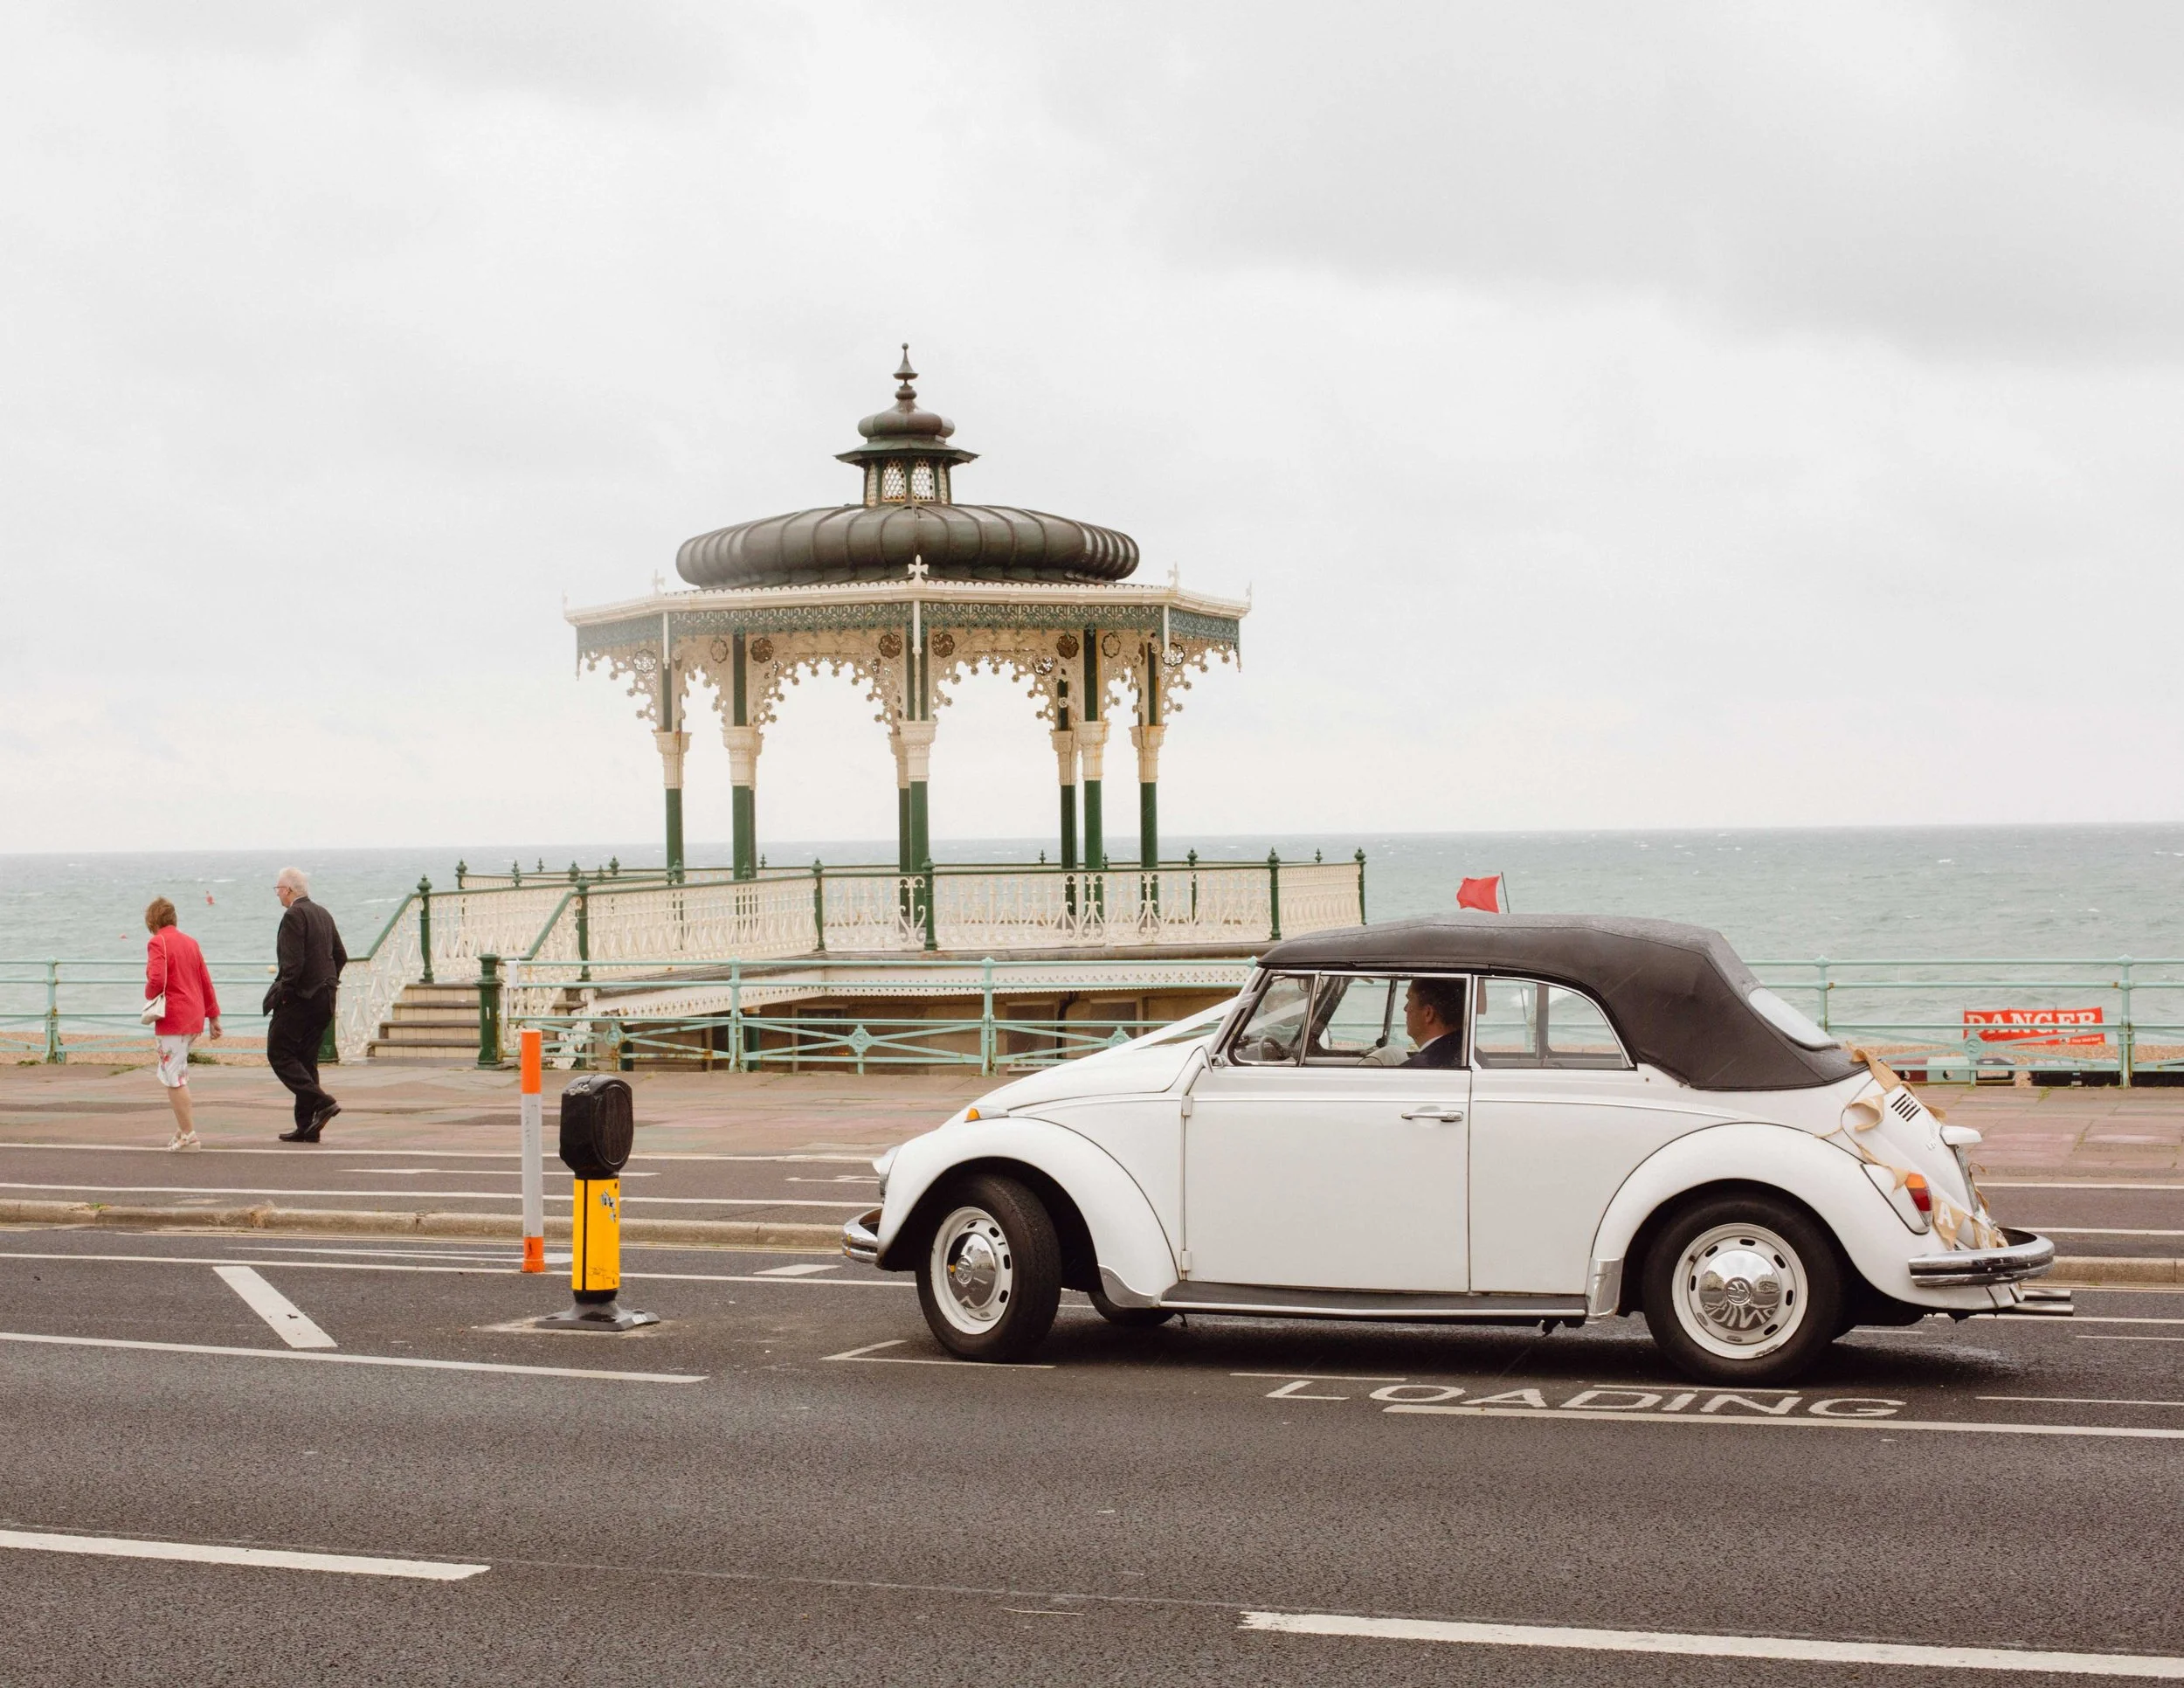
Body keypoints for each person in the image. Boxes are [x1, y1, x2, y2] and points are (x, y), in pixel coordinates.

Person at [263, 867, 347, 1143]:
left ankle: (322, 1102)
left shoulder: (293, 915)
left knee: (279, 1052)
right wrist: (328, 981)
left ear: (287, 890)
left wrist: (286, 994)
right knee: (306, 1059)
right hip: (325, 997)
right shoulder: (322, 913)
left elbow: (293, 964)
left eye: (278, 890)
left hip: (302, 998)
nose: (277, 895)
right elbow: (340, 955)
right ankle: (307, 1126)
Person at [143, 897, 221, 1149]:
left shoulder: (158, 942)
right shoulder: (191, 942)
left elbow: (157, 979)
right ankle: (182, 1129)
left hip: (173, 1017)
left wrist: (149, 994)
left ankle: (189, 1134)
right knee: (179, 1072)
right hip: (194, 1015)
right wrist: (213, 1016)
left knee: (173, 1077)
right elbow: (205, 981)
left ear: (152, 921)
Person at [1400, 977, 1466, 1069]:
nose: (1405, 1009)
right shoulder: (1474, 1053)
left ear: (1428, 1013)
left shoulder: (1416, 1067)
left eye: (1410, 1000)